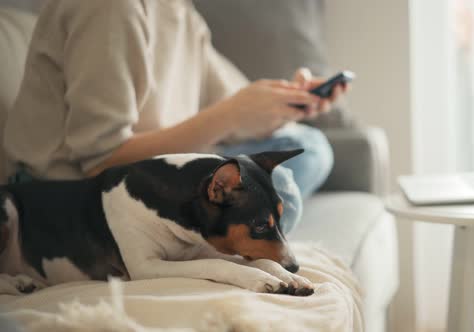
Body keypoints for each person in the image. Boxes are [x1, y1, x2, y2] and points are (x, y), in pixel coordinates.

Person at [3, 0, 347, 233]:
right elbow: (101, 160)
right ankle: (223, 239)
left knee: (308, 145)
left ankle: (215, 233)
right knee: (278, 191)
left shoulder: (178, 11)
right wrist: (229, 116)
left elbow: (240, 109)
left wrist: (289, 100)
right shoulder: (110, 8)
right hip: (65, 198)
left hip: (151, 173)